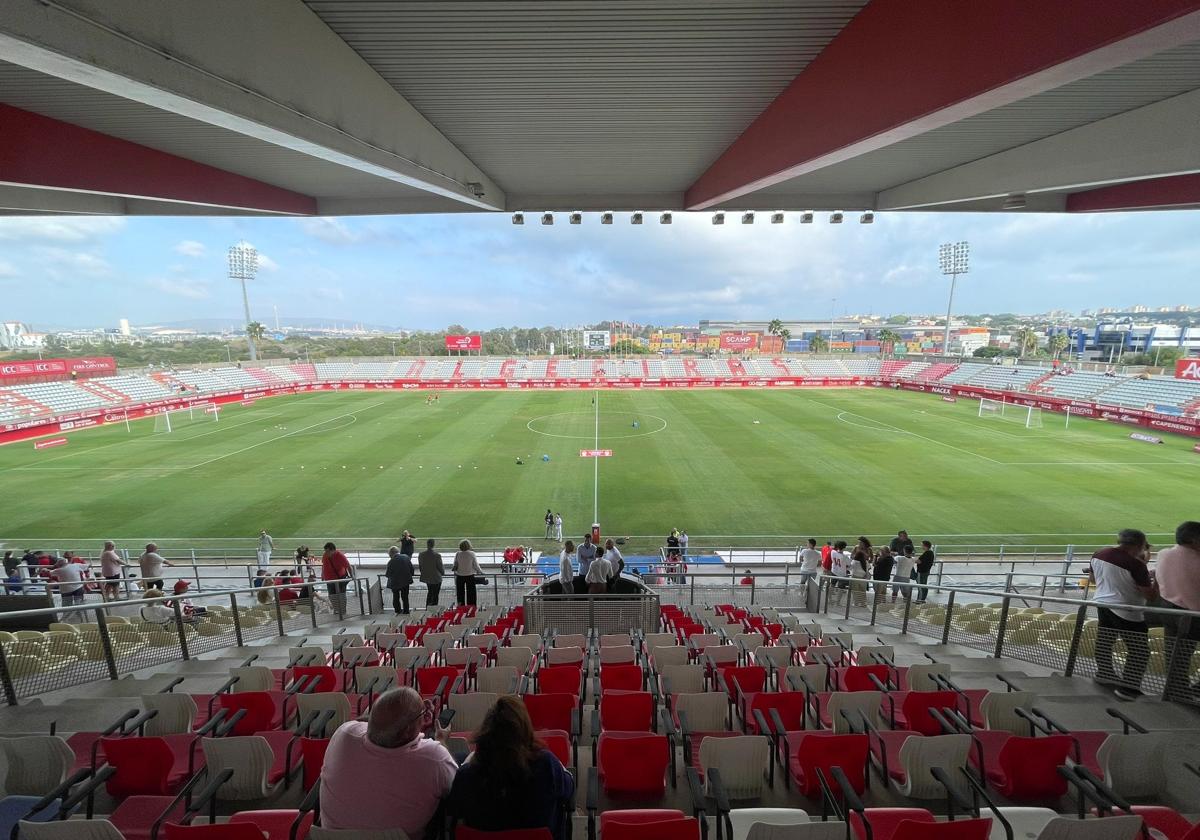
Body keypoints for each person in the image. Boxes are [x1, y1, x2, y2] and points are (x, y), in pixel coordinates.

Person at [320, 687, 458, 835]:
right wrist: (441, 739)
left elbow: (365, 723)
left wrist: (408, 719)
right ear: (407, 731)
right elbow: (456, 788)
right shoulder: (434, 758)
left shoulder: (344, 734)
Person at [448, 696, 575, 840]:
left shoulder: (467, 775)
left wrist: (469, 761)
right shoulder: (547, 765)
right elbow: (569, 789)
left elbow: (454, 808)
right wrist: (554, 762)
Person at [1089, 528, 1157, 701]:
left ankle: (1104, 674)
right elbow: (1149, 595)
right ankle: (1128, 689)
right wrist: (1155, 581)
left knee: (1105, 640)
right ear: (1140, 544)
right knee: (1139, 651)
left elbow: (1093, 580)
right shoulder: (1136, 564)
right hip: (1127, 611)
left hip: (1102, 604)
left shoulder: (1099, 554)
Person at [1154, 521, 1200, 701]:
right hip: (1192, 615)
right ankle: (1189, 691)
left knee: (1175, 654)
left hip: (1168, 611)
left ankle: (1177, 691)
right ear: (1194, 540)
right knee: (1181, 654)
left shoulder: (1163, 553)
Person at [321, 542, 353, 615]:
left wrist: (352, 576)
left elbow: (348, 566)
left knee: (341, 596)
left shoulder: (340, 556)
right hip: (329, 580)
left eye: (328, 551)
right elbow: (324, 565)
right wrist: (322, 575)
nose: (326, 553)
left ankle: (343, 611)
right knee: (332, 596)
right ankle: (336, 610)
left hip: (339, 580)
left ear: (333, 550)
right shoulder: (325, 555)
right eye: (325, 551)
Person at [453, 540, 483, 606]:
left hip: (459, 576)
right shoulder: (472, 553)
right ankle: (471, 609)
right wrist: (481, 572)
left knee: (460, 594)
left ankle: (461, 609)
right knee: (471, 594)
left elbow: (455, 564)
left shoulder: (458, 554)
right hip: (470, 576)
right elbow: (476, 565)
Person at [386, 545, 415, 615]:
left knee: (396, 597)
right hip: (405, 581)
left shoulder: (391, 562)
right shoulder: (406, 557)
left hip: (395, 583)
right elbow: (412, 569)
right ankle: (406, 611)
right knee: (405, 598)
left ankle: (397, 611)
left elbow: (387, 574)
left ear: (391, 553)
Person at [418, 539, 445, 608]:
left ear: (427, 544)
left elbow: (421, 567)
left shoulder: (421, 555)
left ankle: (428, 609)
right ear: (433, 544)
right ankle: (434, 610)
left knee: (430, 593)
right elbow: (440, 568)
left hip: (427, 578)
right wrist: (443, 573)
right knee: (435, 595)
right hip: (436, 578)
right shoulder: (437, 555)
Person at [849, 537, 872, 607]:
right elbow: (851, 556)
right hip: (859, 566)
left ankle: (863, 602)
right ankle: (857, 602)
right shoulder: (856, 547)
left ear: (864, 543)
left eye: (860, 542)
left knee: (862, 589)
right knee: (856, 589)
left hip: (864, 569)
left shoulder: (868, 549)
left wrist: (865, 561)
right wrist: (857, 558)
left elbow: (871, 559)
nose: (859, 544)